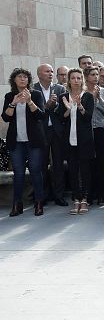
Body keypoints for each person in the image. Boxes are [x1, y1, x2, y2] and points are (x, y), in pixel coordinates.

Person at [2, 68, 47, 217]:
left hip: (33, 140)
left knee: (35, 171)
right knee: (19, 173)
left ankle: (39, 203)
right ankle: (17, 204)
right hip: (16, 141)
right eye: (19, 77)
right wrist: (13, 103)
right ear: (14, 80)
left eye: (25, 77)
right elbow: (6, 118)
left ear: (28, 80)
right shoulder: (9, 96)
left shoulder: (36, 94)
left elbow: (40, 115)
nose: (22, 79)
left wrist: (29, 102)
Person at [56, 68, 94, 215]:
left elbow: (88, 117)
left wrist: (79, 106)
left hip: (84, 139)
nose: (76, 81)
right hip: (69, 138)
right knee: (72, 169)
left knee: (85, 169)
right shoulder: (63, 96)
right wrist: (69, 108)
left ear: (82, 80)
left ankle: (84, 199)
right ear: (69, 80)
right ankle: (76, 199)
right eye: (73, 78)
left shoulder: (88, 96)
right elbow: (61, 117)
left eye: (79, 78)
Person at [33, 64, 68, 207]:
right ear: (39, 74)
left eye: (52, 71)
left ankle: (59, 196)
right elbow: (33, 113)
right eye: (47, 71)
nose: (51, 74)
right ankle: (43, 195)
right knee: (41, 164)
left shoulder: (60, 89)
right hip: (40, 132)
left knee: (58, 164)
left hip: (57, 131)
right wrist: (46, 106)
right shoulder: (33, 89)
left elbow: (64, 111)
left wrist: (56, 106)